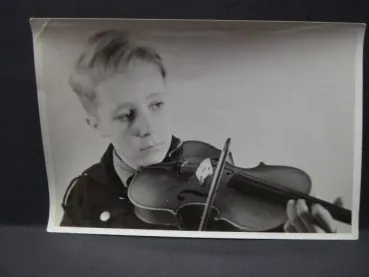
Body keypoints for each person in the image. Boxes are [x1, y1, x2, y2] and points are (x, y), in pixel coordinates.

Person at [60, 30, 343, 233]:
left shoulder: (203, 159)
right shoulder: (84, 195)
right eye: (125, 115)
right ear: (96, 125)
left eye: (156, 104)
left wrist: (293, 246)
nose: (148, 128)